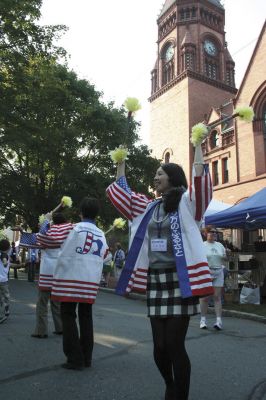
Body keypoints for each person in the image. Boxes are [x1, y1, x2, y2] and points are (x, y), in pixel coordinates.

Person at [106, 144, 213, 400]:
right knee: (159, 347)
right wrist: (120, 160)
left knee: (175, 345)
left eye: (160, 174)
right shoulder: (149, 206)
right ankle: (169, 383)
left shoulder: (187, 203)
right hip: (157, 279)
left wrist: (197, 146)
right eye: (155, 175)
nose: (155, 178)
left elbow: (200, 182)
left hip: (180, 280)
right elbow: (125, 195)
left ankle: (180, 395)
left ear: (172, 178)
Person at [48, 197, 108, 370]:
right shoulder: (101, 234)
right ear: (96, 214)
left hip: (70, 277)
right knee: (86, 317)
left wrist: (46, 221)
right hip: (89, 280)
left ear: (80, 213)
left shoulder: (72, 228)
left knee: (68, 315)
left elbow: (47, 239)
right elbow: (105, 256)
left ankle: (74, 358)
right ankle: (86, 357)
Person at [199, 227, 228, 330]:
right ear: (206, 234)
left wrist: (225, 255)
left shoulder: (220, 245)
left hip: (218, 271)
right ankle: (203, 320)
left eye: (215, 232)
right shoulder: (202, 245)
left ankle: (218, 321)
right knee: (205, 297)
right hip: (206, 272)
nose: (214, 234)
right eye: (211, 232)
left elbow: (225, 258)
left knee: (217, 296)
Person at [0, 239, 11, 324]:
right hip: (3, 280)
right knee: (6, 297)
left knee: (1, 297)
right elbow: (4, 262)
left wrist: (19, 265)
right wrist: (5, 263)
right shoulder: (4, 255)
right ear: (8, 248)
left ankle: (3, 312)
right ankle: (5, 313)